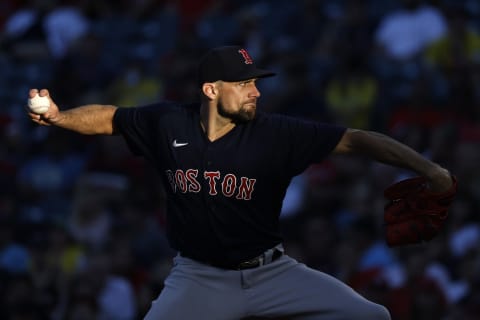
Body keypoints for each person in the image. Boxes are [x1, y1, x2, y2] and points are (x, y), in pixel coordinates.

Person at [28, 46, 454, 320]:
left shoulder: (277, 133)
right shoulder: (168, 122)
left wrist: (430, 170)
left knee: (371, 318)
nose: (256, 92)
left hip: (272, 273)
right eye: (245, 83)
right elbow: (110, 117)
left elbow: (358, 140)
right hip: (199, 278)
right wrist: (59, 117)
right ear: (211, 90)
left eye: (256, 83)